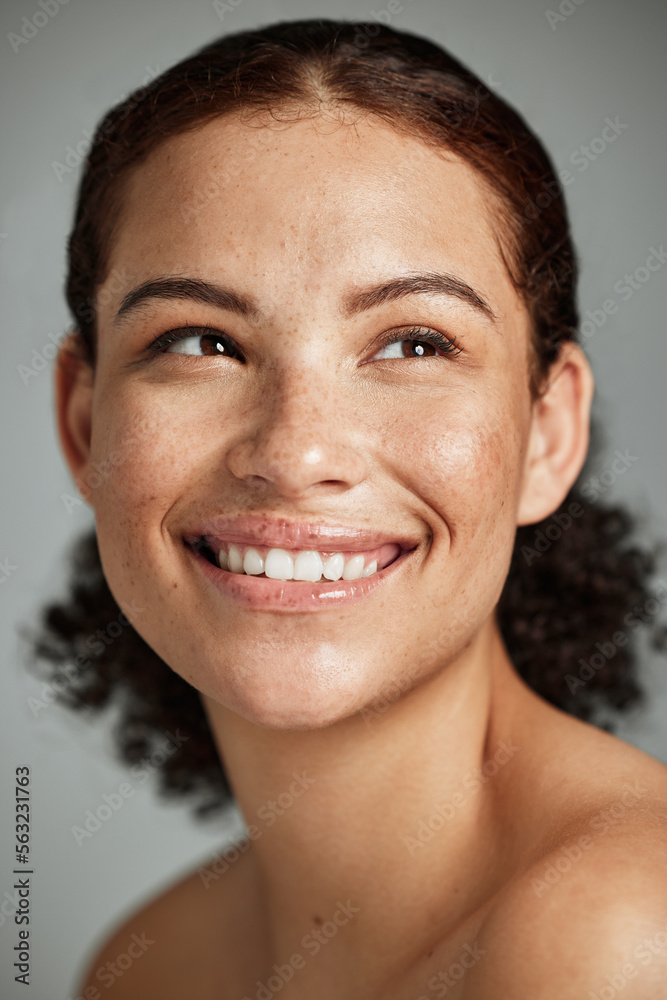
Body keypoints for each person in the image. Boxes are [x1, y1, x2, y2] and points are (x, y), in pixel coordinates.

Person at [36, 17, 667, 999]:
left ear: (547, 434)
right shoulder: (148, 967)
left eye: (413, 343)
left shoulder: (619, 941)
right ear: (84, 425)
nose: (294, 453)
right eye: (200, 341)